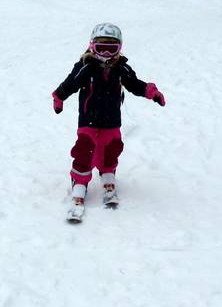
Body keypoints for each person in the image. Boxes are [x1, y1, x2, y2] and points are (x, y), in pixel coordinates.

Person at [52, 23, 165, 221]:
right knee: (84, 150)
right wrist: (59, 97)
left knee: (112, 147)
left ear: (119, 48)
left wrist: (150, 91)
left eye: (111, 49)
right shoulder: (85, 67)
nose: (105, 53)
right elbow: (70, 83)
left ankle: (108, 173)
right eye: (101, 48)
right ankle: (79, 182)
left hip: (112, 121)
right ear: (92, 46)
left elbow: (134, 84)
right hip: (88, 120)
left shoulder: (121, 68)